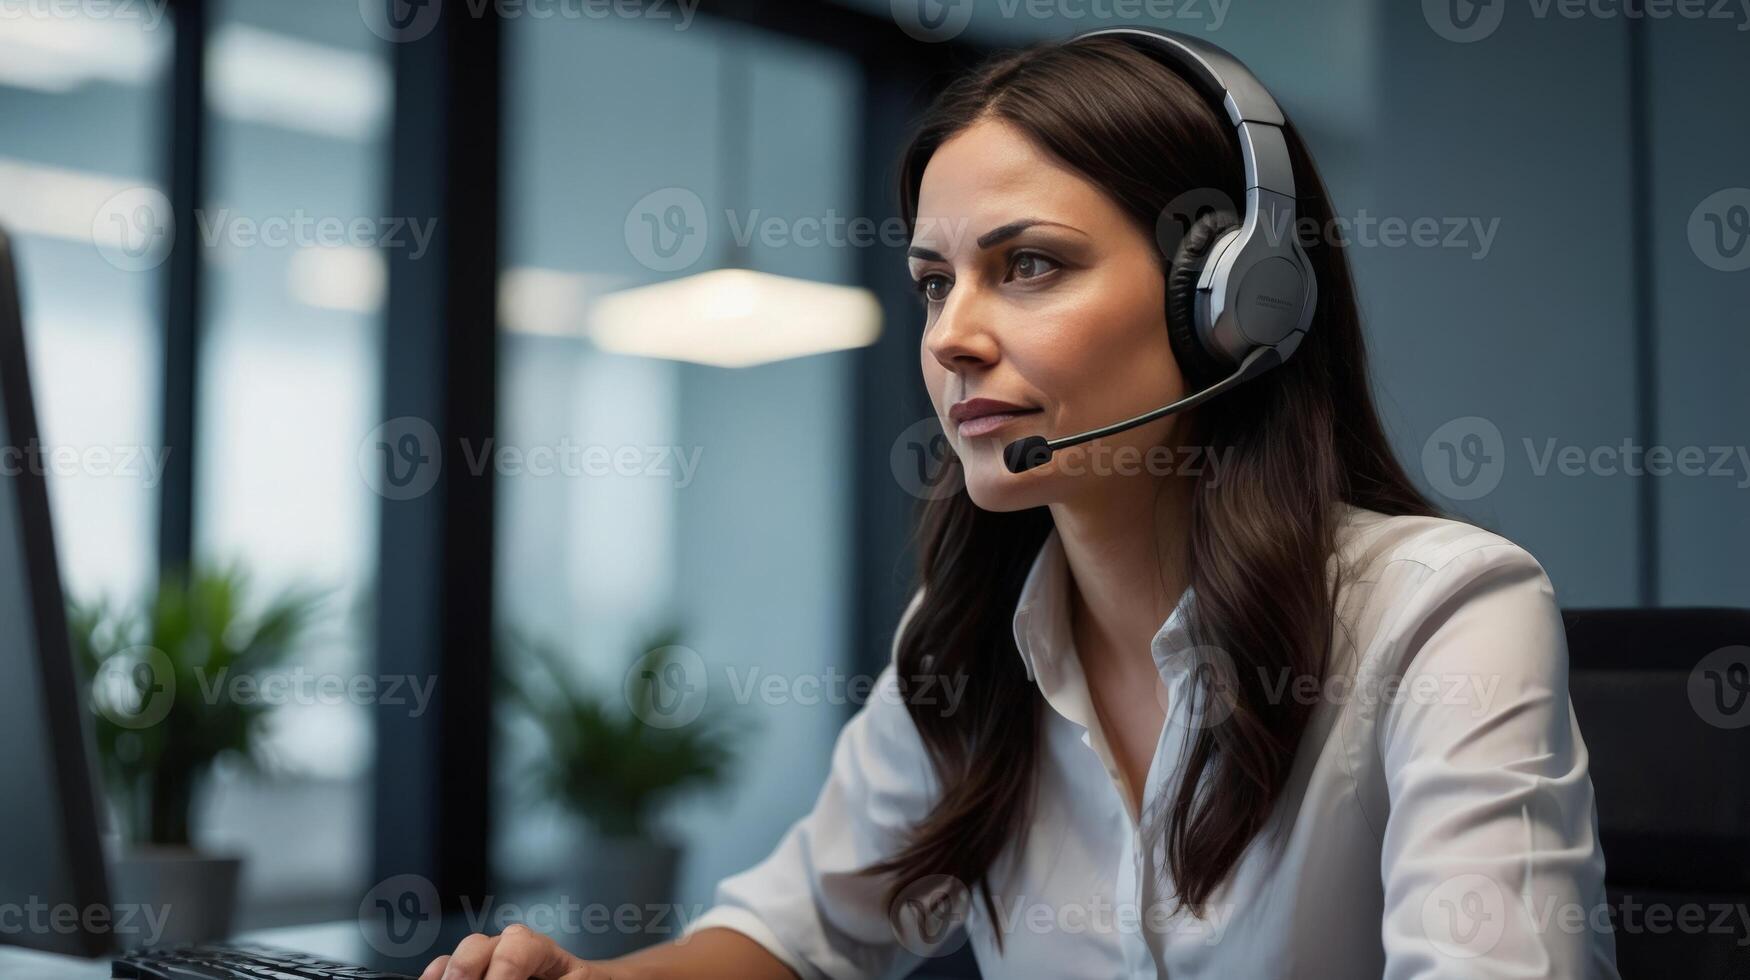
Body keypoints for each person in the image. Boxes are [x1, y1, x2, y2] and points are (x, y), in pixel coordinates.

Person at [422, 30, 1618, 980]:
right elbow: (798, 933)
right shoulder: (970, 635)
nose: (950, 336)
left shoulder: (1448, 613)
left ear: (1233, 304)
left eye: (1027, 265)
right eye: (934, 282)